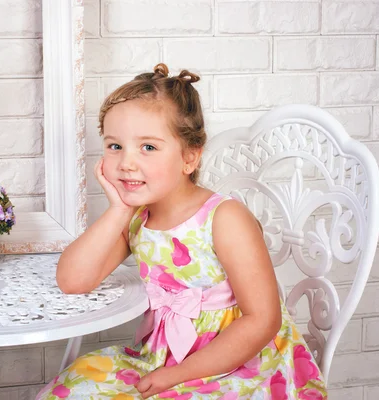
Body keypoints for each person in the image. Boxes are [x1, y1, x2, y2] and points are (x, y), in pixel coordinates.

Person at [36, 63, 327, 399]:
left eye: (148, 147)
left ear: (189, 157)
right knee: (71, 388)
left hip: (240, 365)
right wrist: (118, 209)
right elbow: (73, 281)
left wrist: (177, 375)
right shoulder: (135, 218)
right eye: (115, 146)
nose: (127, 162)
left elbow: (262, 320)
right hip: (162, 359)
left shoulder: (224, 218)